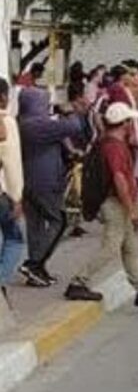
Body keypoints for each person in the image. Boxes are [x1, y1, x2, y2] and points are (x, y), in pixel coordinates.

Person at [64, 103, 138, 307]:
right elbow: (119, 178)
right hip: (115, 203)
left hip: (115, 202)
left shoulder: (107, 143)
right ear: (125, 123)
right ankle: (78, 281)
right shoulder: (115, 148)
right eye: (130, 121)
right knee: (111, 247)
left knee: (129, 247)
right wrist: (131, 208)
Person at [18, 87, 84, 287]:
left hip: (28, 181)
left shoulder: (22, 122)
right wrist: (69, 110)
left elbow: (59, 134)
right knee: (60, 221)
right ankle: (34, 264)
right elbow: (74, 126)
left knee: (35, 226)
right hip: (45, 182)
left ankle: (38, 271)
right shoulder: (38, 125)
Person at [0, 79, 24, 303]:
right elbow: (12, 163)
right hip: (2, 195)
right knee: (14, 239)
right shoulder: (6, 123)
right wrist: (17, 197)